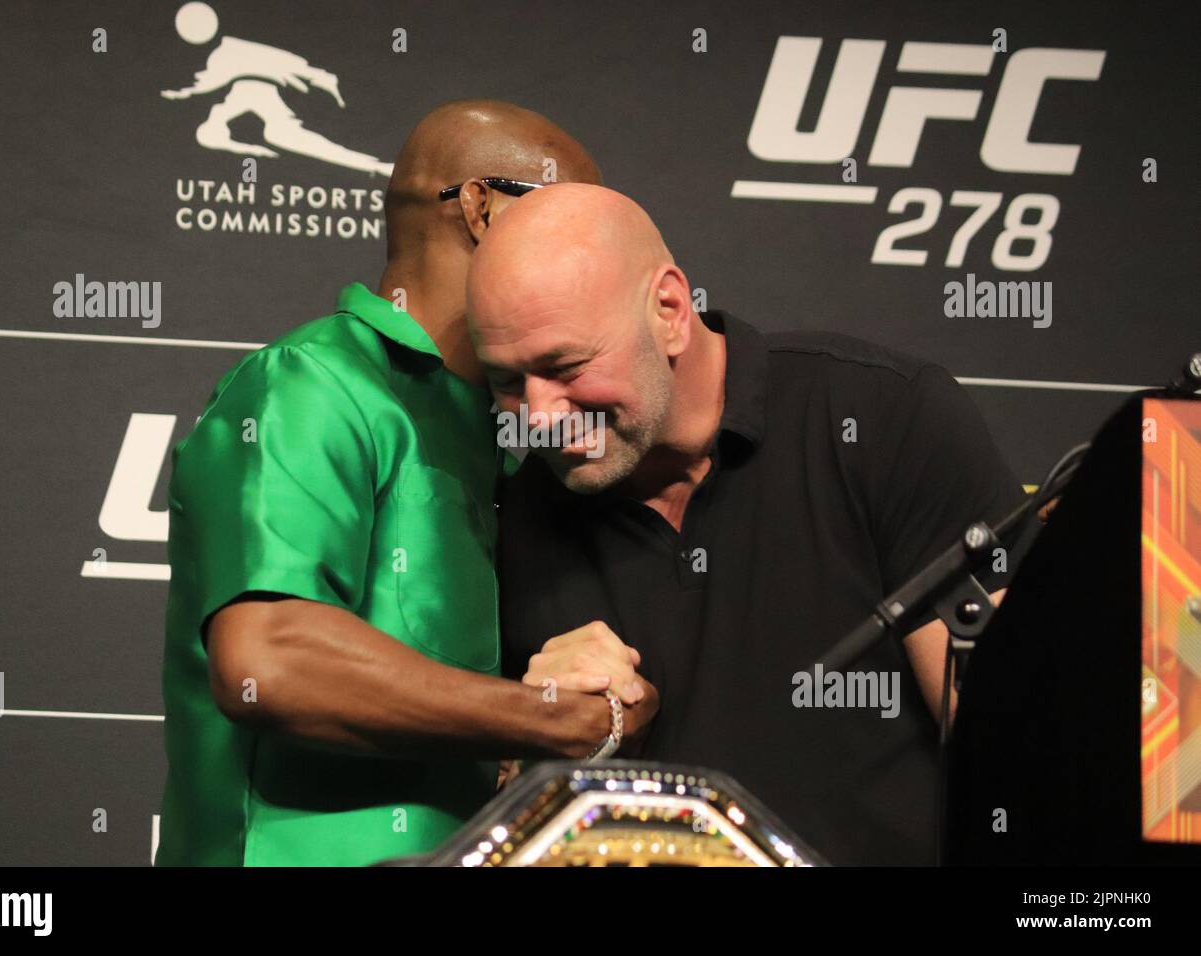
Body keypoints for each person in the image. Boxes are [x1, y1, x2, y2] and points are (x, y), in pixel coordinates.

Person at [156, 103, 657, 867]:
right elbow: (269, 658)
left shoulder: (507, 431)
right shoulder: (310, 382)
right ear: (478, 207)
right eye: (562, 208)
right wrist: (553, 718)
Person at [466, 183, 1026, 866]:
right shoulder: (510, 511)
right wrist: (547, 738)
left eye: (565, 367)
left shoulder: (880, 419)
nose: (541, 417)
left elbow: (1018, 756)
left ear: (670, 310)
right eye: (506, 381)